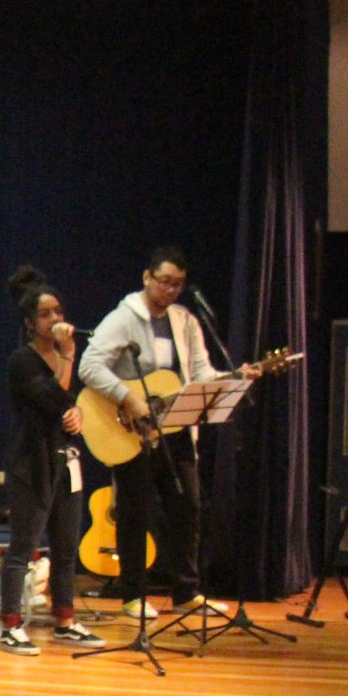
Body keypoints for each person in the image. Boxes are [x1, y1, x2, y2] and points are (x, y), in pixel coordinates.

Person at [78, 246, 253, 619]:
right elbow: (89, 366)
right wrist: (127, 398)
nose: (170, 290)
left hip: (176, 429)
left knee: (188, 507)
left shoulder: (185, 321)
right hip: (133, 432)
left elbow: (200, 374)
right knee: (134, 512)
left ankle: (186, 592)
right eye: (164, 281)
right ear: (147, 277)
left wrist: (233, 377)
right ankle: (132, 595)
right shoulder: (122, 319)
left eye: (178, 284)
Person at [0, 267, 105, 655]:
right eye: (45, 314)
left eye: (58, 311)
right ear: (30, 322)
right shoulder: (22, 360)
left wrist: (77, 414)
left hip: (66, 459)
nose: (55, 319)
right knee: (22, 548)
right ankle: (11, 626)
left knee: (66, 548)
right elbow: (52, 396)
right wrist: (68, 356)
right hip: (32, 463)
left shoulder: (60, 357)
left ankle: (65, 620)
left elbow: (65, 404)